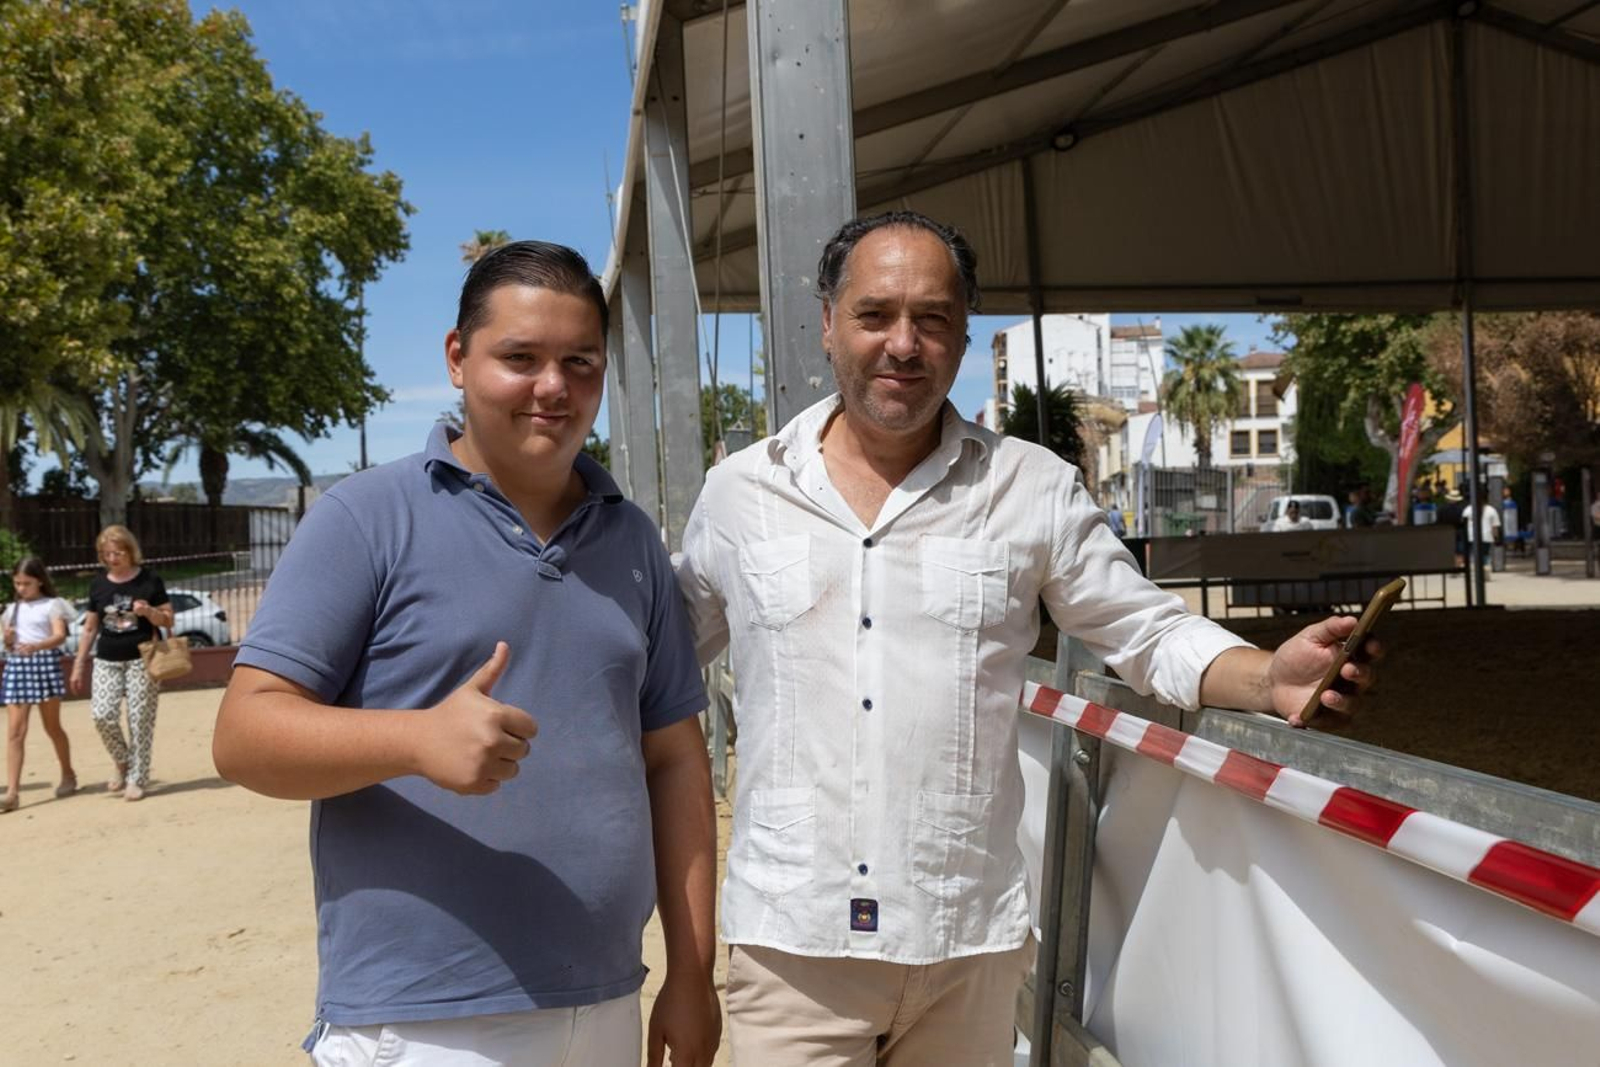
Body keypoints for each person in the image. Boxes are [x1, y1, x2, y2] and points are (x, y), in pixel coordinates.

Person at [675, 211, 1381, 1066]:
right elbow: (651, 665)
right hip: (795, 953)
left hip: (965, 951)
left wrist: (1268, 675)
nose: (904, 342)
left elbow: (1147, 631)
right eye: (875, 314)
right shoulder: (741, 494)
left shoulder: (1031, 489)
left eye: (932, 318)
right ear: (827, 323)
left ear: (965, 336)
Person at [213, 241, 720, 1067]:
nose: (553, 387)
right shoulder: (365, 518)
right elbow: (242, 735)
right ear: (458, 357)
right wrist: (413, 740)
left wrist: (692, 976)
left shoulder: (630, 540)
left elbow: (675, 760)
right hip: (423, 1025)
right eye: (520, 358)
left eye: (579, 362)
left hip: (605, 1005)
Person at [71, 526, 173, 802]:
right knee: (102, 715)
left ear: (130, 551)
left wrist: (149, 611)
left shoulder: (149, 580)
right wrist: (79, 664)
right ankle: (122, 761)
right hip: (106, 659)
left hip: (143, 658)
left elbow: (168, 619)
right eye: (107, 553)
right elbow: (90, 627)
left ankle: (138, 777)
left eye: (118, 552)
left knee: (140, 719)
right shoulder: (99, 584)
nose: (113, 558)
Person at [3, 557, 77, 812]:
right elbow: (8, 644)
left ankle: (68, 774)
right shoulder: (12, 610)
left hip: (43, 663)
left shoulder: (52, 605)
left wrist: (37, 645)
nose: (21, 588)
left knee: (52, 727)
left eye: (27, 583)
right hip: (17, 665)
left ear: (40, 582)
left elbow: (59, 635)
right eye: (18, 583)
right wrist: (8, 640)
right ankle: (12, 791)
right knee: (15, 732)